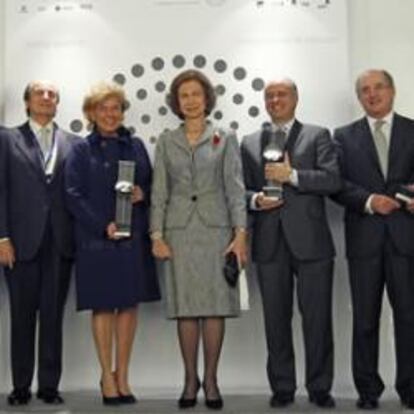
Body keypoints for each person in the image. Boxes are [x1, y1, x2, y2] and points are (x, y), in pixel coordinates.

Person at [241, 78, 341, 409]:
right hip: (270, 244)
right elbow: (237, 192)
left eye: (281, 94)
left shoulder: (318, 135)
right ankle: (282, 387)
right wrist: (255, 199)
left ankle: (319, 388)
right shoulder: (250, 141)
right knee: (275, 321)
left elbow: (332, 180)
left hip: (312, 244)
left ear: (296, 98)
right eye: (269, 95)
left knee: (317, 320)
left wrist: (293, 176)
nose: (275, 99)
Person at [150, 69, 247, 410]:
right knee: (187, 310)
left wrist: (240, 236)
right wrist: (156, 235)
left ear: (207, 98)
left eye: (196, 94)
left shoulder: (225, 137)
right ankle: (190, 380)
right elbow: (159, 191)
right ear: (176, 103)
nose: (190, 101)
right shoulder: (165, 141)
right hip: (177, 233)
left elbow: (235, 190)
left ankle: (212, 380)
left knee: (215, 308)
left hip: (217, 232)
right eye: (184, 96)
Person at [65, 82, 160, 405]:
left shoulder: (135, 146)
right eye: (103, 108)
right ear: (91, 113)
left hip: (131, 239)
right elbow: (73, 195)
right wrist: (100, 224)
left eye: (115, 108)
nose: (110, 114)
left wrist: (141, 194)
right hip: (96, 240)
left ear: (122, 112)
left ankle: (124, 375)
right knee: (104, 306)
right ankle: (106, 375)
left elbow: (151, 185)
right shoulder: (80, 149)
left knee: (128, 306)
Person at [332, 69, 414, 410]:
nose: (372, 94)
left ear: (392, 91)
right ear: (359, 97)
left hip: (405, 238)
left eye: (379, 87)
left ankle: (410, 388)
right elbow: (336, 184)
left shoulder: (413, 129)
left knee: (409, 317)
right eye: (365, 90)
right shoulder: (343, 136)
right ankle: (368, 390)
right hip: (364, 239)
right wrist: (369, 201)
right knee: (365, 318)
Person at [0, 81, 79, 405]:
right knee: (21, 317)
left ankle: (49, 386)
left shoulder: (73, 142)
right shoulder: (6, 139)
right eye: (39, 94)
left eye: (52, 94)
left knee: (52, 316)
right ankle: (20, 387)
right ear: (27, 102)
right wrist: (2, 236)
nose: (46, 98)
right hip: (19, 243)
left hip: (60, 242)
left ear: (58, 103)